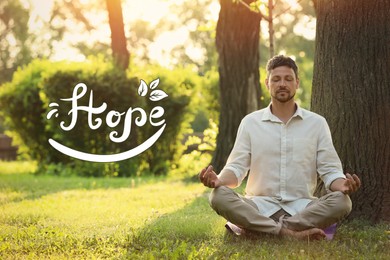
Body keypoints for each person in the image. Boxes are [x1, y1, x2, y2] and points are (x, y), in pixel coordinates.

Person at [199, 55, 361, 240]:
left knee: (342, 202)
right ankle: (287, 234)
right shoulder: (250, 122)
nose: (282, 83)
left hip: (302, 209)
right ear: (267, 83)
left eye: (288, 79)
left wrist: (343, 185)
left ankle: (264, 230)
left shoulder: (317, 123)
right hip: (259, 207)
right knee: (218, 196)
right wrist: (219, 180)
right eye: (276, 79)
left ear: (297, 83)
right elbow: (236, 168)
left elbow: (330, 169)